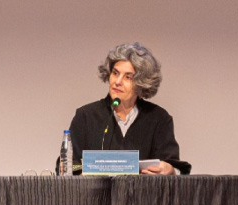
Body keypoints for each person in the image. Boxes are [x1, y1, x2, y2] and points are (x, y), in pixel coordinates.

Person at [64, 43, 191, 175]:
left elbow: (173, 166)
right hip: (95, 189)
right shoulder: (86, 116)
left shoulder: (159, 119)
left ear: (142, 83)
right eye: (115, 73)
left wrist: (170, 170)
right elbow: (68, 165)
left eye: (128, 77)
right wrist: (81, 171)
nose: (117, 81)